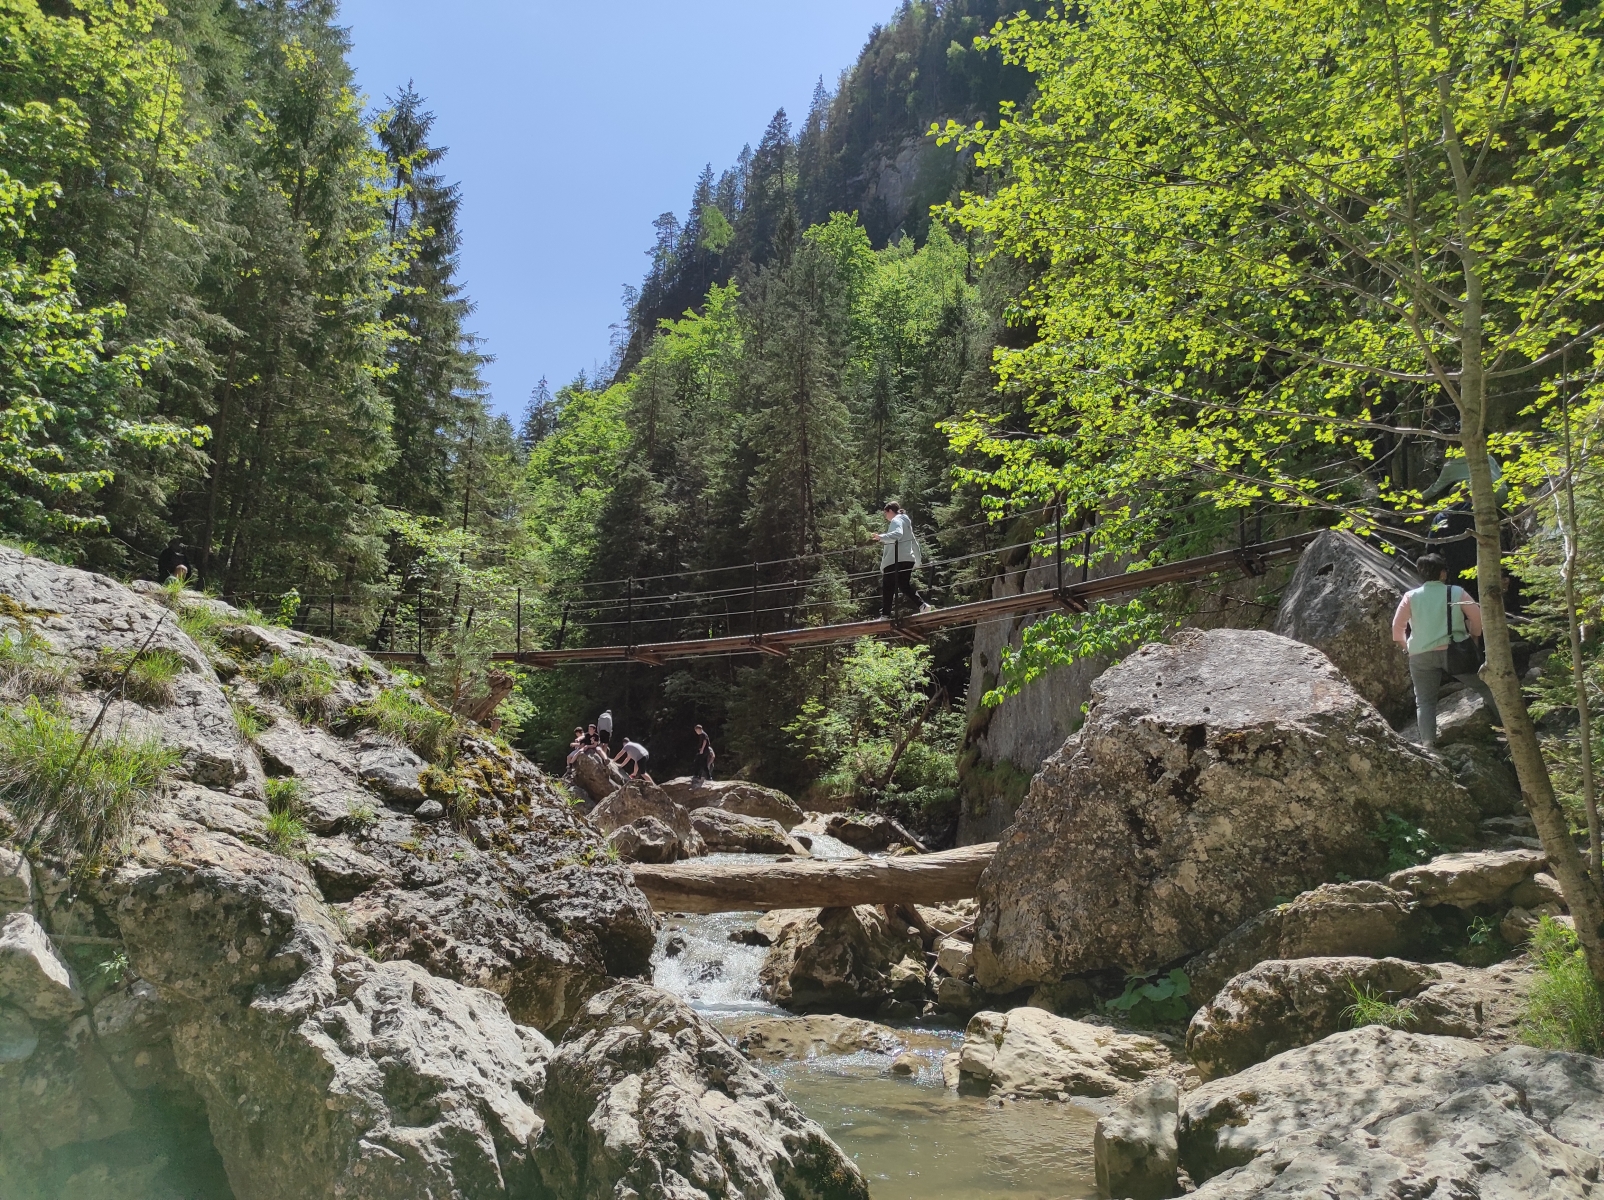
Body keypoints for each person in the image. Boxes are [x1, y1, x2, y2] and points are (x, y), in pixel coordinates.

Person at [1391, 553, 1501, 748]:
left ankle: (1428, 744)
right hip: (1456, 652)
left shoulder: (1410, 597)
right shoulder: (1456, 592)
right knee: (1485, 687)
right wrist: (1474, 636)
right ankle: (1506, 725)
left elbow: (1397, 629)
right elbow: (1477, 618)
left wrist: (1408, 647)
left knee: (1425, 702)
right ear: (1442, 573)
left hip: (1420, 656)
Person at [872, 502, 933, 618]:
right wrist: (917, 561)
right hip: (908, 560)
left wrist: (881, 537)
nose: (886, 516)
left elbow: (897, 534)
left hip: (895, 560)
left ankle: (885, 615)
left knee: (888, 587)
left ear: (890, 511)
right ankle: (922, 605)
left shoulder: (896, 520)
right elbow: (914, 542)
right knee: (904, 585)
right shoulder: (907, 523)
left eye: (886, 513)